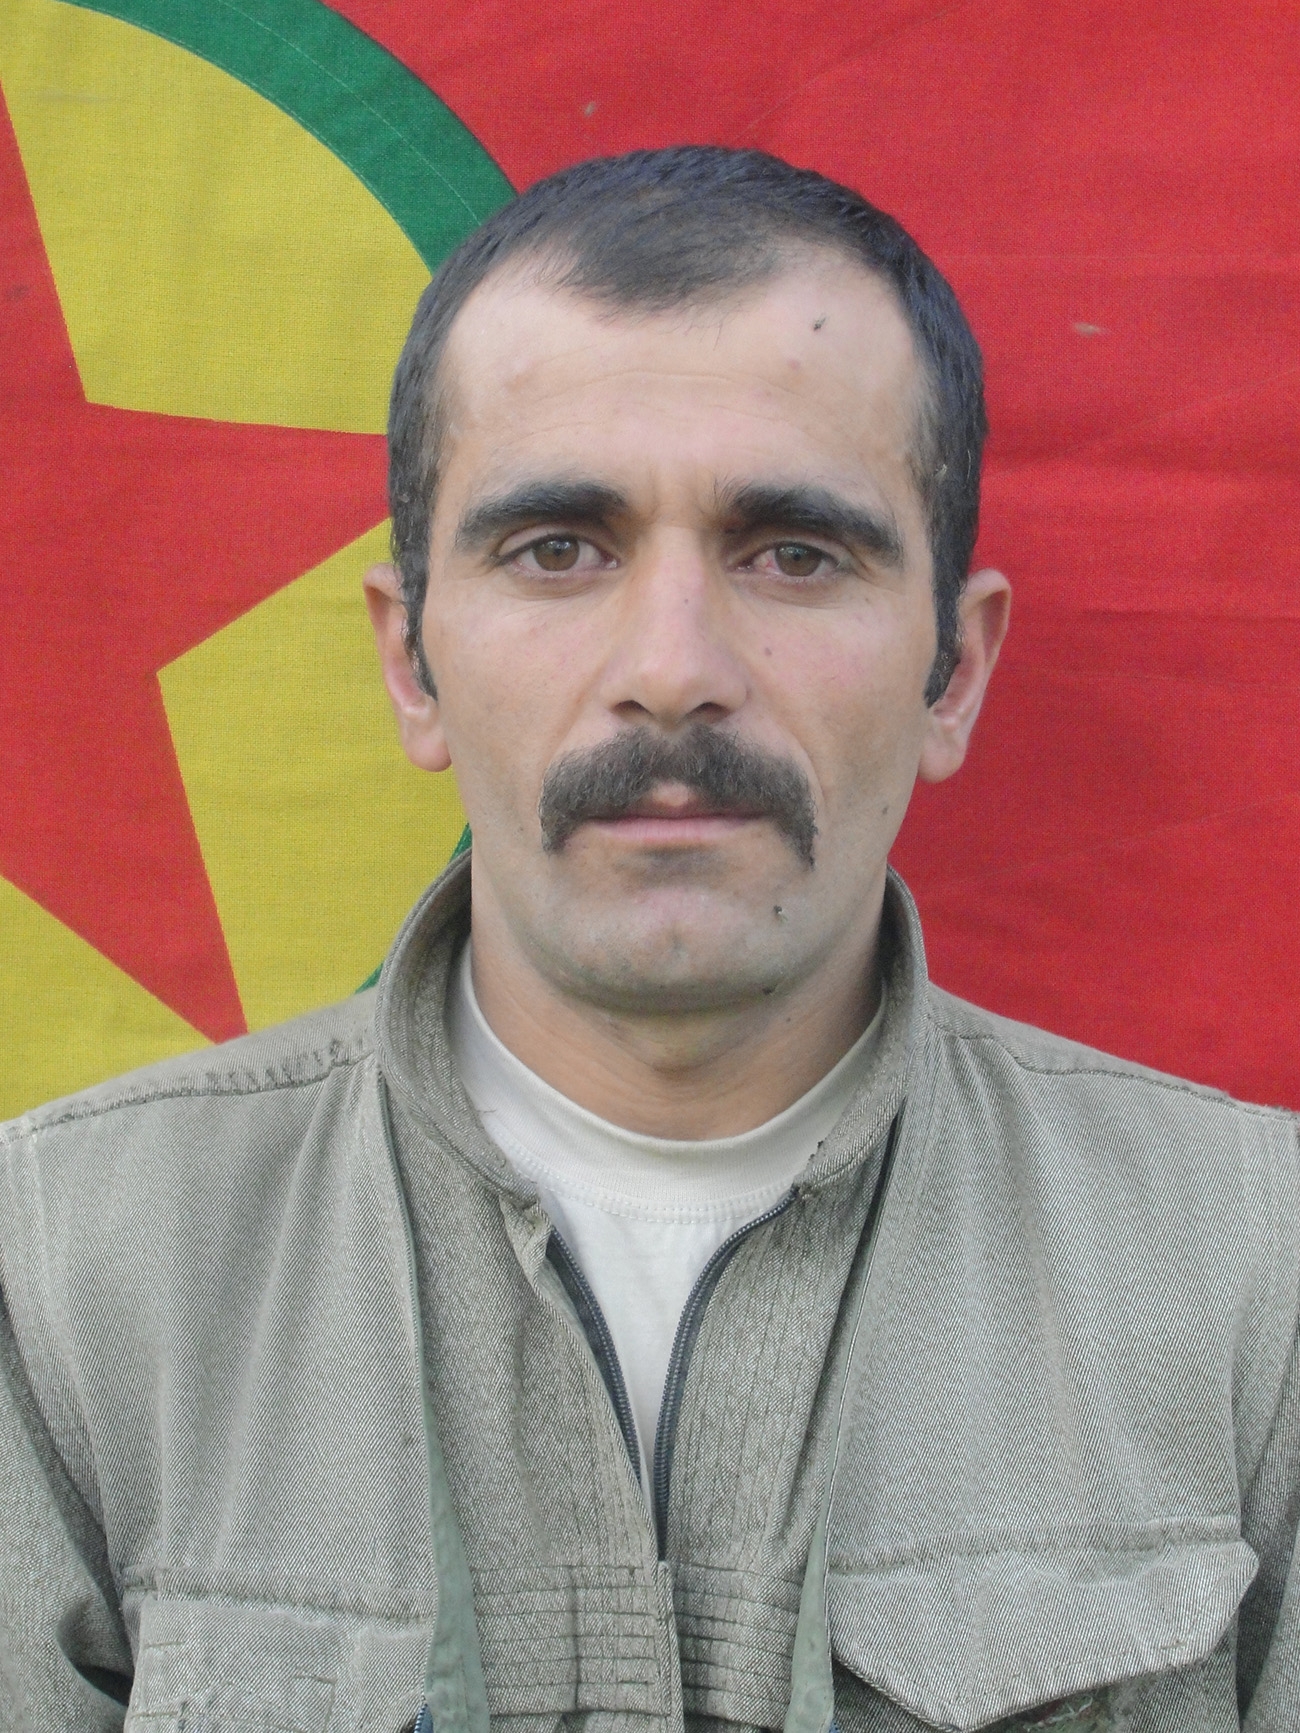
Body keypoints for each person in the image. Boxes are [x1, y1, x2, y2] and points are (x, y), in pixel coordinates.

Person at [1, 147, 1296, 1733]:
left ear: (953, 674)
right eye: (559, 548)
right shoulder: (62, 1288)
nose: (674, 668)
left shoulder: (1258, 1285)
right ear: (411, 665)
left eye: (794, 554)